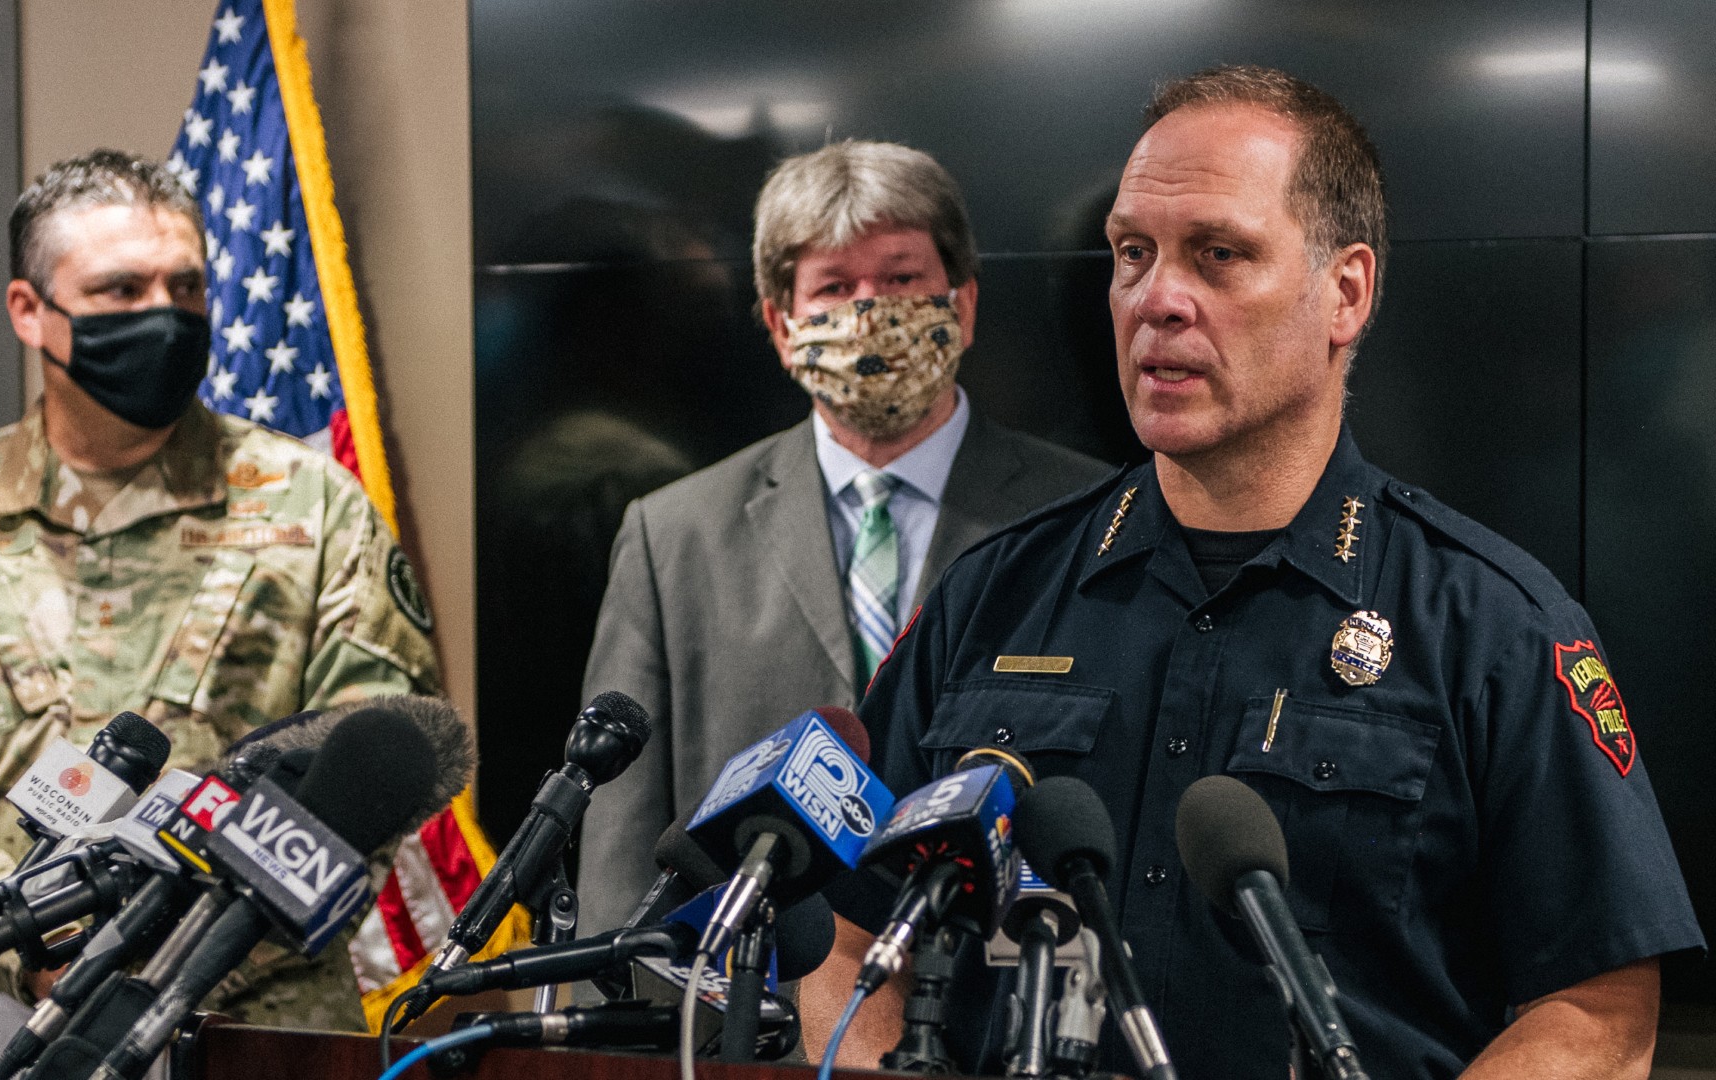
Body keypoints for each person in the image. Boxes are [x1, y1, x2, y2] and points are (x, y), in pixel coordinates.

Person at [810, 67, 1704, 1078]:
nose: (1157, 301)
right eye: (1132, 254)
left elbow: (1599, 1012)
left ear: (1346, 292)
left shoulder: (1494, 627)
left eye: (1218, 254)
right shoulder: (993, 596)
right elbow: (847, 936)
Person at [0, 150, 440, 1041]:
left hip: (253, 1028)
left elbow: (364, 770)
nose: (165, 316)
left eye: (185, 288)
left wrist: (172, 951)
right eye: (121, 290)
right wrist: (28, 937)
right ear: (31, 312)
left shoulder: (315, 509)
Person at [576, 140, 1112, 933]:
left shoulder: (1085, 513)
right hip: (748, 1010)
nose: (870, 311)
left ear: (962, 306)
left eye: (900, 279)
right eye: (833, 286)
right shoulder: (673, 535)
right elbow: (618, 835)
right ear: (780, 324)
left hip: (985, 1003)